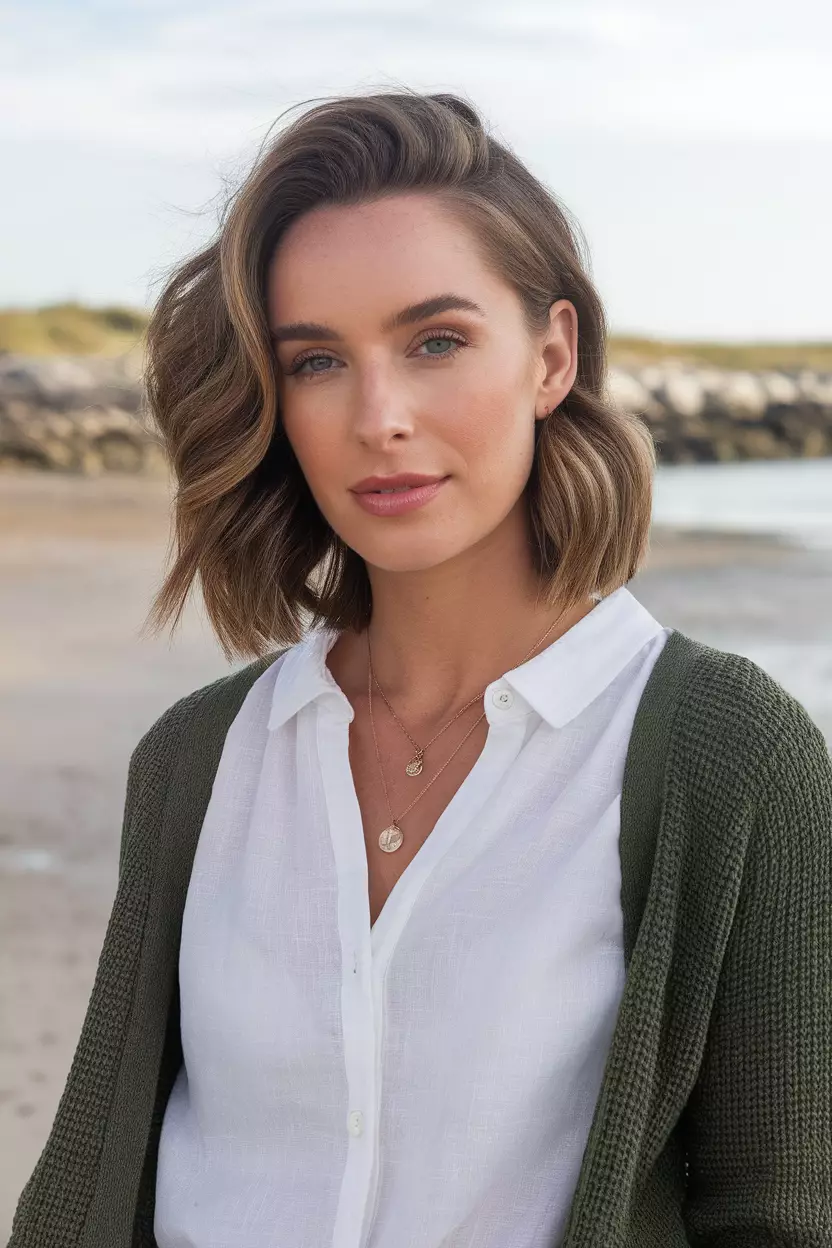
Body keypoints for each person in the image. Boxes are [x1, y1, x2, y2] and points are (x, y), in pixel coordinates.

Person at [9, 90, 831, 1248]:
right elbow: (91, 1178)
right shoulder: (199, 760)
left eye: (435, 341)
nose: (377, 416)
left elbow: (783, 1210)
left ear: (551, 356)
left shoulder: (729, 758)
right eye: (316, 361)